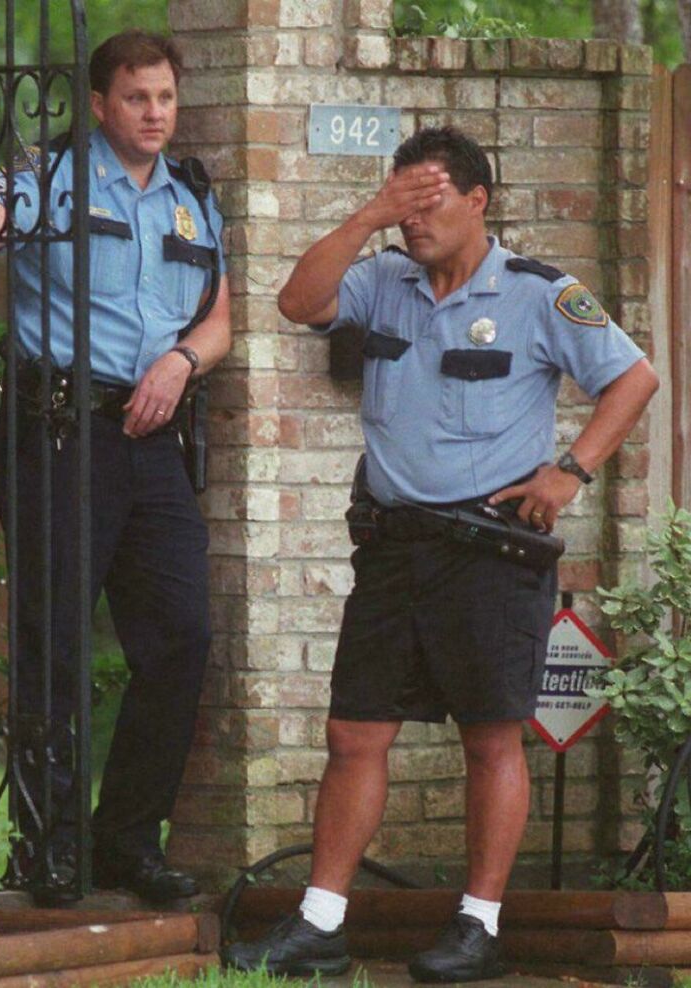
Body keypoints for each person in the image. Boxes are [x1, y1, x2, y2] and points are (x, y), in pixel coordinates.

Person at [221, 126, 658, 982]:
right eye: (403, 202)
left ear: (476, 200)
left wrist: (572, 470)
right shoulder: (384, 281)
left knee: (491, 739)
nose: (412, 221)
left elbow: (633, 376)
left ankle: (480, 923)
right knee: (354, 733)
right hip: (393, 548)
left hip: (489, 553)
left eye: (427, 203)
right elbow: (297, 301)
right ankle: (319, 924)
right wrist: (368, 215)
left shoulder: (537, 293)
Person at [0, 30, 230, 904]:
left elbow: (219, 320)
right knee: (53, 643)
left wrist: (182, 364)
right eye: (137, 98)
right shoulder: (52, 176)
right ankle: (48, 848)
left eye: (165, 97)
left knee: (180, 639)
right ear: (101, 104)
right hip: (57, 430)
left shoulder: (191, 198)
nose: (155, 114)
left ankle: (128, 839)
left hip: (150, 437)